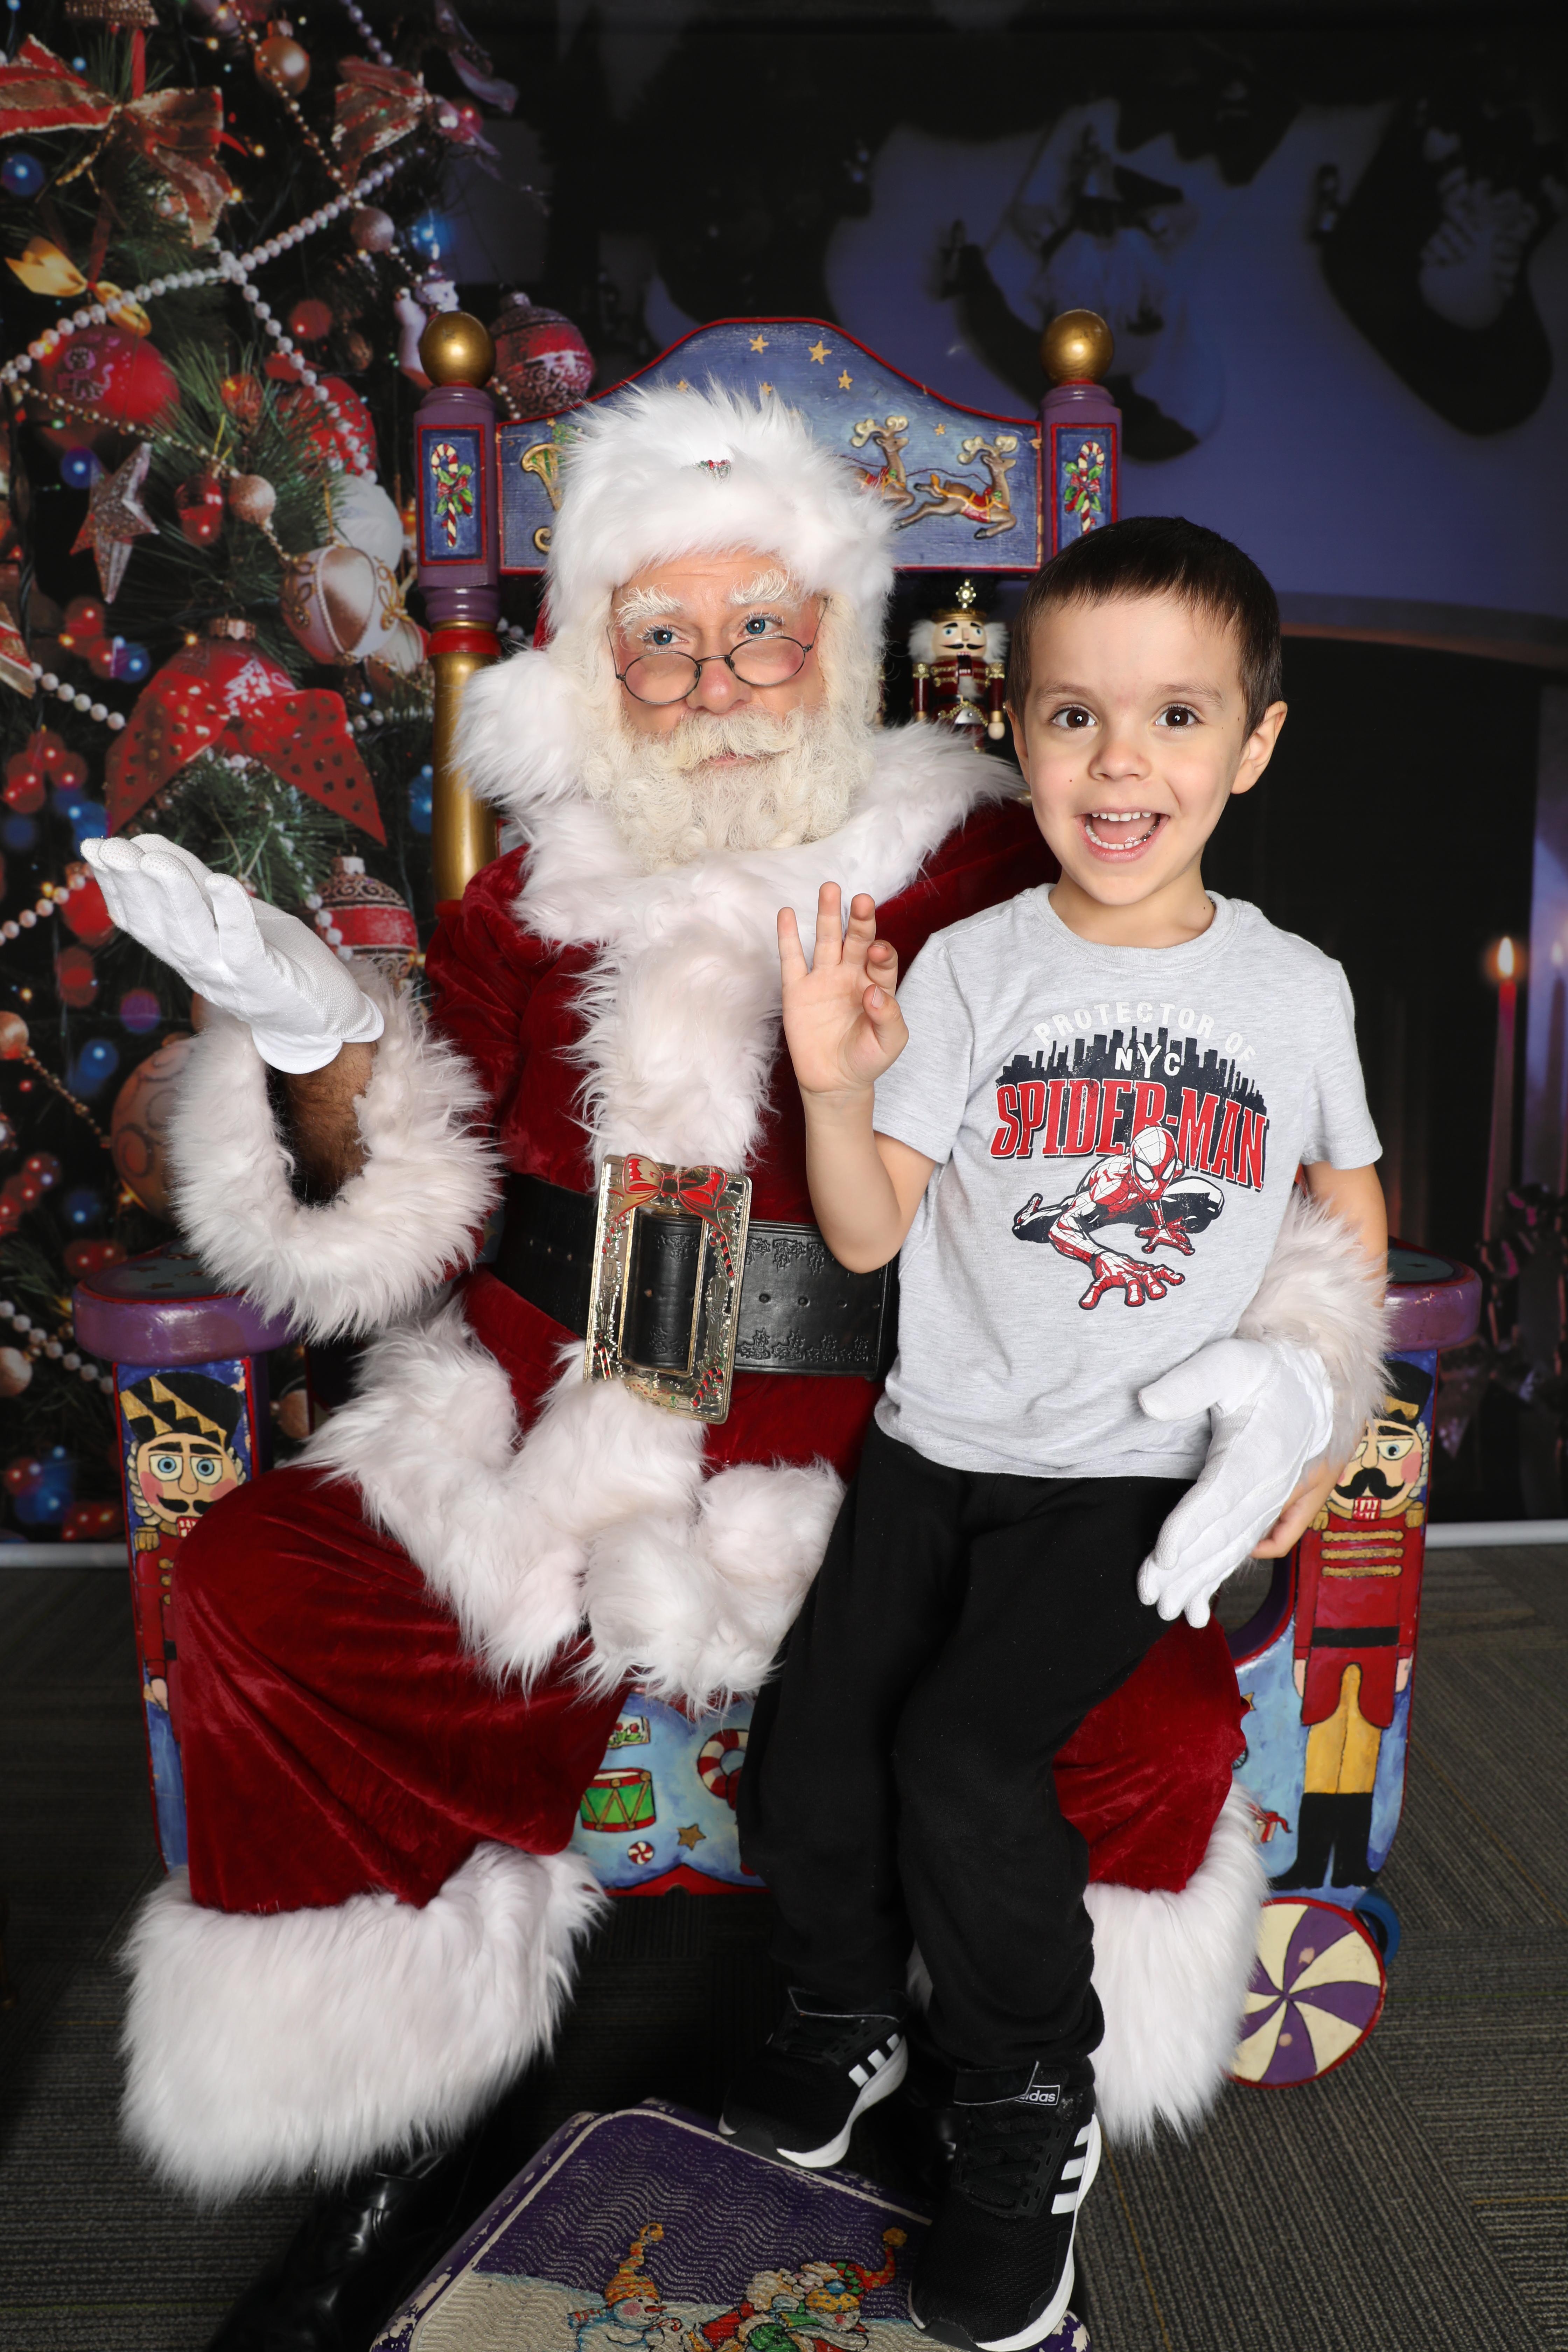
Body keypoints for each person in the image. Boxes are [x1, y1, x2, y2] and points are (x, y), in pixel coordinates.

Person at [83, 399, 1380, 2350]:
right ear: (600, 659)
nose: (713, 680)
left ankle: (999, 2100)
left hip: (903, 1444)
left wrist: (1295, 1361)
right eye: (662, 637)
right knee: (276, 1588)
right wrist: (310, 1047)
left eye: (758, 629)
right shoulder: (529, 897)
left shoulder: (979, 862)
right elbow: (410, 1194)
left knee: (1127, 1717)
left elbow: (1198, 1128)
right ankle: (409, 2113)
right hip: (551, 1424)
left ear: (833, 640)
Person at [725, 517, 1387, 2352]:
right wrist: (839, 1083)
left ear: (1252, 744)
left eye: (1178, 716)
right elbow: (866, 1232)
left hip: (1130, 1480)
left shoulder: (1294, 991)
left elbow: (1347, 1212)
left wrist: (1325, 1417)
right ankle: (838, 2017)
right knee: (820, 1743)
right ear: (1014, 733)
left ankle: (1024, 2107)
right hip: (938, 1448)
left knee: (960, 1754)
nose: (1124, 763)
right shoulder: (969, 972)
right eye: (1078, 717)